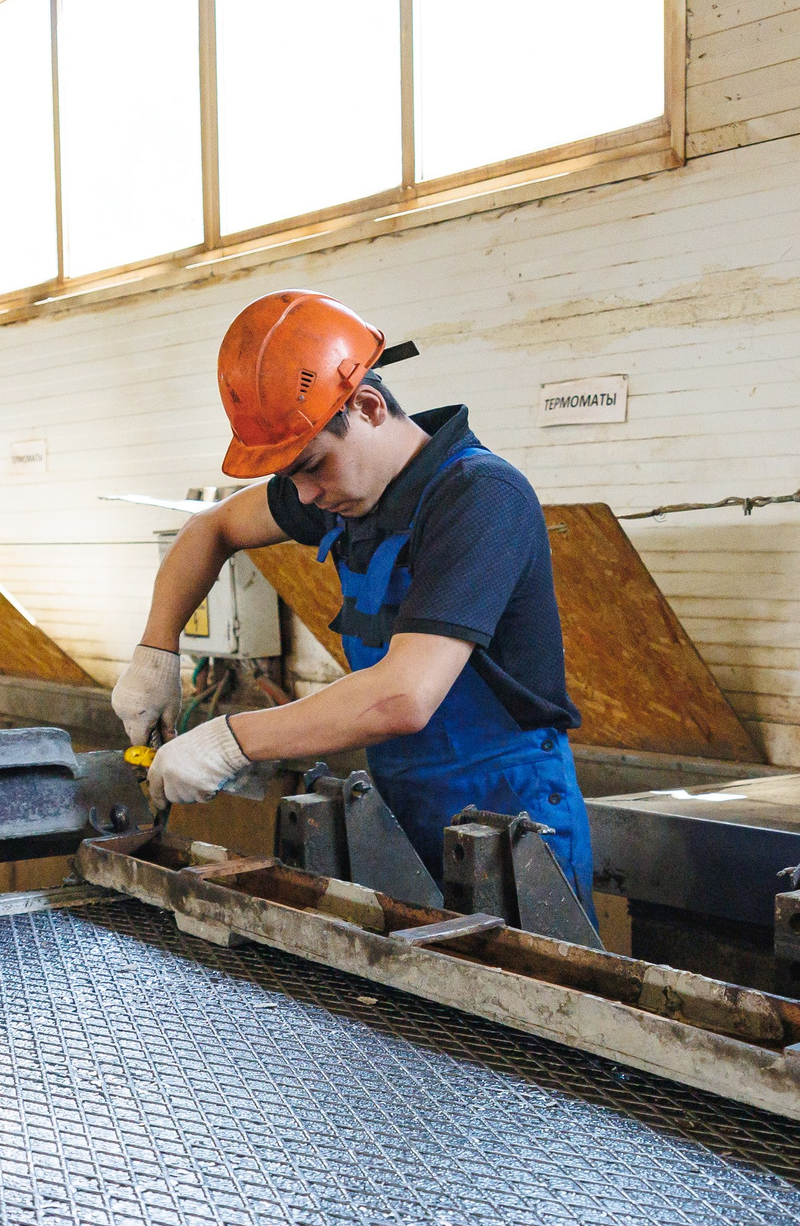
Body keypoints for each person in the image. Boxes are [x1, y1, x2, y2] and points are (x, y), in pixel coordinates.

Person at [112, 290, 591, 903]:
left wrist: (228, 741)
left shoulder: (479, 497)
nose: (304, 497)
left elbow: (404, 697)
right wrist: (157, 652)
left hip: (514, 818)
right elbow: (212, 527)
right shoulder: (348, 490)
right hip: (405, 801)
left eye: (312, 466)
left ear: (366, 406)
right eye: (289, 478)